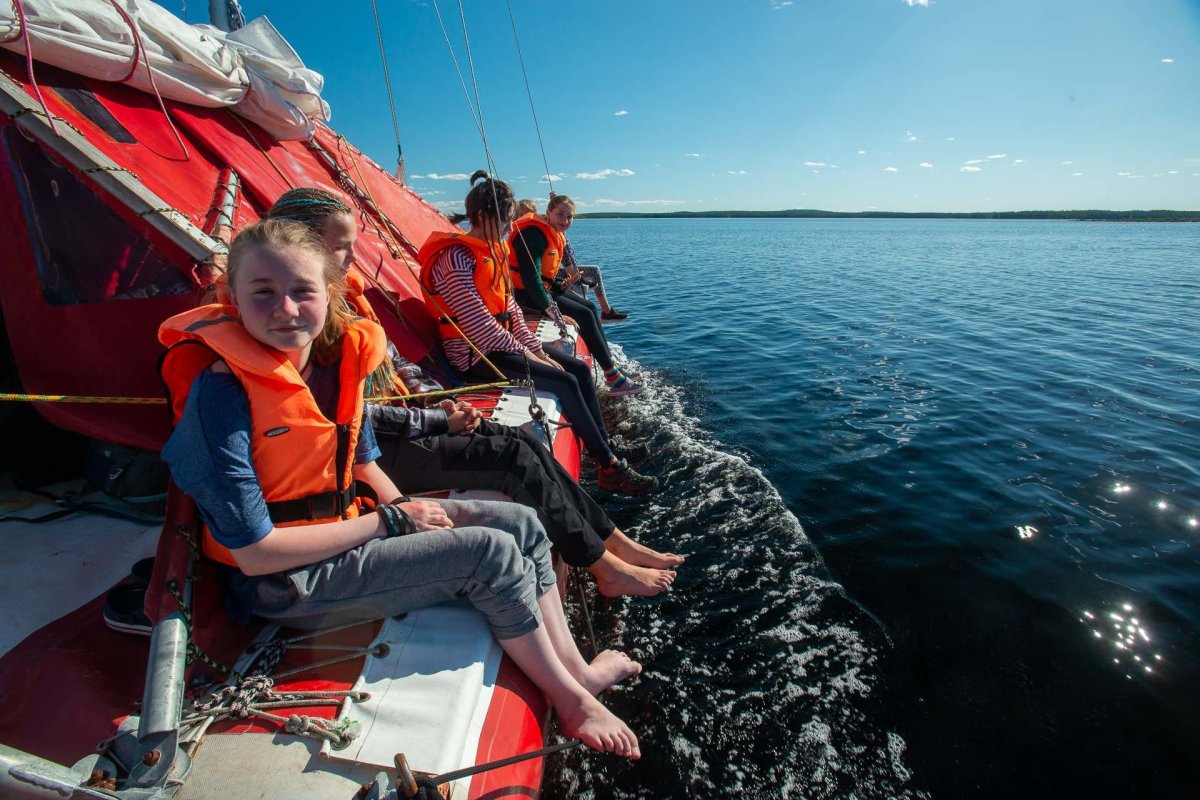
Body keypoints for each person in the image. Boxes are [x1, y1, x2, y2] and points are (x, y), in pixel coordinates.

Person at [157, 219, 640, 757]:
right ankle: (572, 704)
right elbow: (253, 554)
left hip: (347, 530)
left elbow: (363, 459)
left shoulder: (333, 363)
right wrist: (390, 522)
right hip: (288, 581)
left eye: (302, 291)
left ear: (329, 294)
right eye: (263, 292)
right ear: (234, 298)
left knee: (522, 522)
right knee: (490, 553)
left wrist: (403, 505)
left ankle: (577, 672)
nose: (286, 308)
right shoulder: (220, 397)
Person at [265, 188, 682, 595]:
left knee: (525, 436)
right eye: (342, 248)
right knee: (518, 449)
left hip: (407, 420)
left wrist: (438, 397)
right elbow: (355, 414)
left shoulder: (342, 304)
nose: (353, 258)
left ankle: (614, 538)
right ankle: (603, 560)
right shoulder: (292, 328)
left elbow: (398, 363)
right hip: (438, 389)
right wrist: (438, 417)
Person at [417, 171, 657, 495]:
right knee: (564, 380)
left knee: (578, 370)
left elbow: (511, 310)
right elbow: (477, 324)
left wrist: (538, 349)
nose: (506, 228)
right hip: (475, 355)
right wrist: (531, 354)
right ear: (479, 216)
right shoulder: (455, 259)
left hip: (504, 347)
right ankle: (611, 468)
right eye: (502, 220)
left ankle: (606, 449)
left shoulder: (492, 251)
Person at [509, 195, 641, 396]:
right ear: (548, 213)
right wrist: (552, 311)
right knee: (584, 315)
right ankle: (614, 379)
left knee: (589, 307)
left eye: (569, 217)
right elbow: (530, 278)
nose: (565, 221)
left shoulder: (551, 231)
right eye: (560, 214)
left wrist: (560, 287)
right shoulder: (532, 235)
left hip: (542, 290)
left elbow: (545, 276)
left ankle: (611, 366)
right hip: (526, 295)